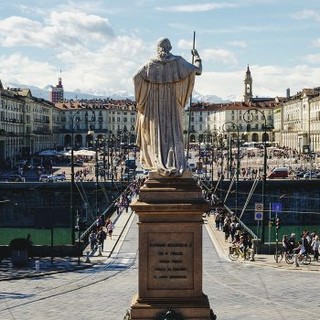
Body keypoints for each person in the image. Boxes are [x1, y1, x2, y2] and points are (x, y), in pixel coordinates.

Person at [133, 37, 202, 177]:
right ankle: (175, 162)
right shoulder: (178, 62)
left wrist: (141, 99)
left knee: (157, 134)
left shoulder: (150, 64)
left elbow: (135, 77)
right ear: (169, 47)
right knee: (173, 133)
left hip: (154, 106)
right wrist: (197, 57)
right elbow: (198, 70)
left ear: (158, 48)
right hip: (172, 105)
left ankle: (159, 162)